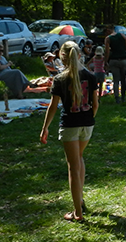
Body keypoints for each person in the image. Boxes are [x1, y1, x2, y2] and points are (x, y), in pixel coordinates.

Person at [40, 41, 98, 222]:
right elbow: (95, 104)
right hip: (87, 125)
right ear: (79, 55)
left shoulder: (60, 79)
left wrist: (45, 128)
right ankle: (79, 200)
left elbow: (53, 106)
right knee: (79, 158)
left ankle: (77, 213)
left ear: (61, 57)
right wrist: (88, 118)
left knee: (73, 166)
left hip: (70, 125)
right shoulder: (90, 75)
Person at [105, 23, 126, 104]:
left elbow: (107, 51)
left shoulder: (108, 38)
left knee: (116, 80)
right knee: (123, 80)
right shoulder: (122, 36)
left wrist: (105, 61)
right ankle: (123, 97)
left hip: (114, 60)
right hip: (124, 60)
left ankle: (117, 98)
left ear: (108, 30)